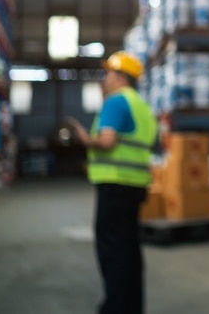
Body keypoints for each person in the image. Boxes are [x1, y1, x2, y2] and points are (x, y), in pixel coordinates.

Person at [67, 51, 157, 314]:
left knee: (112, 252)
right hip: (136, 184)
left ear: (120, 77)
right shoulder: (142, 106)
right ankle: (131, 307)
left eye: (108, 73)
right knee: (129, 250)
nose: (105, 79)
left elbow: (107, 141)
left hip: (115, 185)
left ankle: (114, 308)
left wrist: (85, 139)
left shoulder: (115, 102)